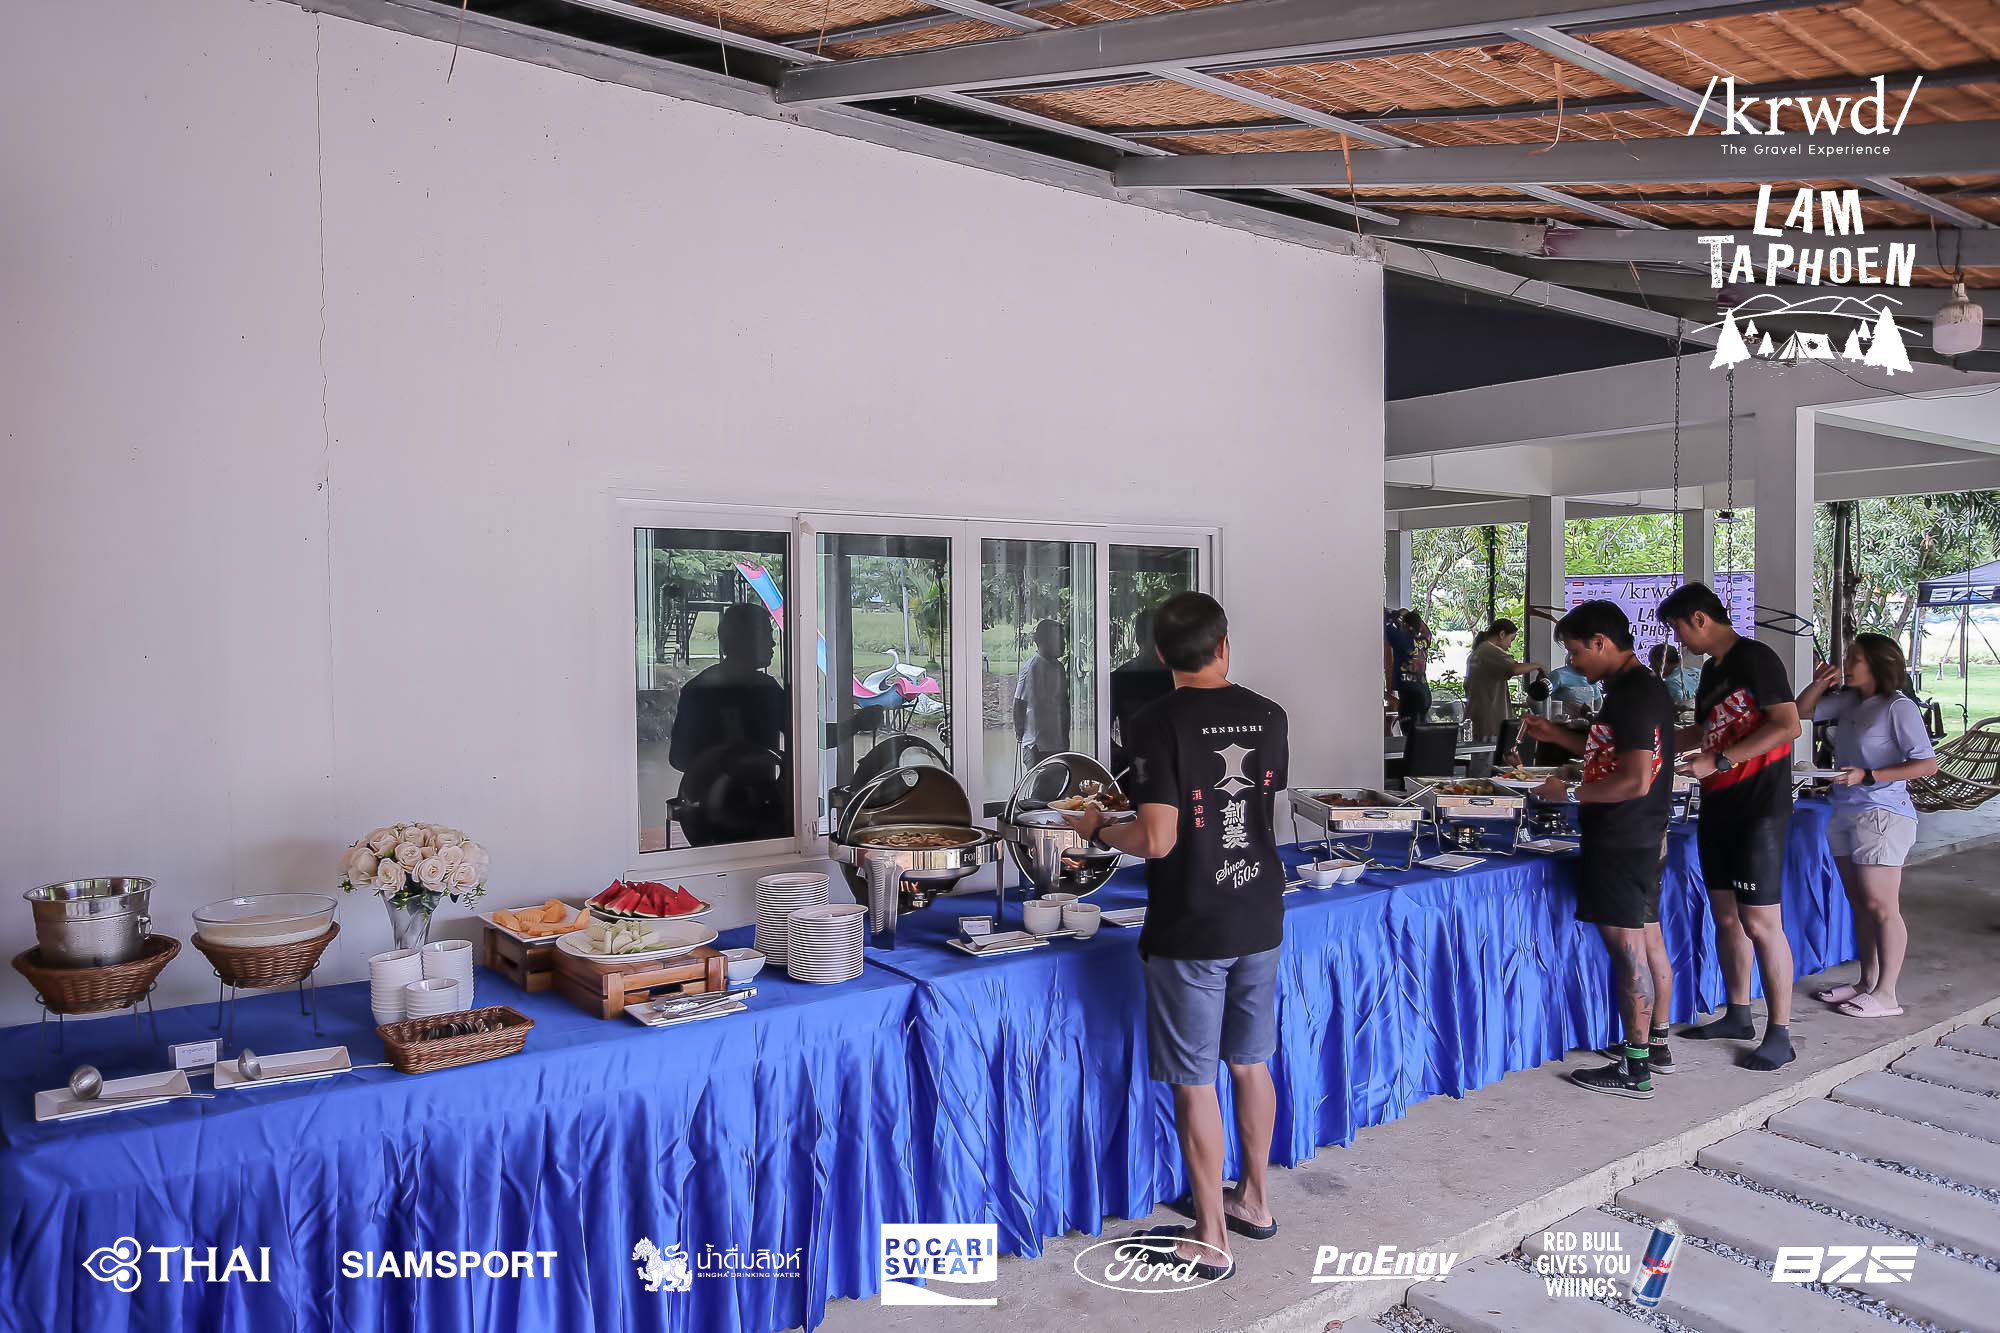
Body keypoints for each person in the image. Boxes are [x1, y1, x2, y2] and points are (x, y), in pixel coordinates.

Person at [1064, 592, 1288, 1284]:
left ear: (1160, 654)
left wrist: (1098, 827)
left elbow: (1158, 839)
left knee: (1195, 1081)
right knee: (1250, 1063)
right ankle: (1253, 1200)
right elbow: (1245, 802)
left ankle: (1211, 1237)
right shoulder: (1269, 714)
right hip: (1259, 910)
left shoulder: (1154, 720)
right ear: (1223, 646)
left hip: (1193, 922)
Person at [1523, 602, 1679, 1099]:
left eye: (1575, 652)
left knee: (1628, 952)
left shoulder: (1633, 695)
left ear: (1601, 642)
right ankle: (1654, 1045)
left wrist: (1568, 793)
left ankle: (1635, 1068)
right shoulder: (1638, 689)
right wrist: (1557, 735)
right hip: (1641, 835)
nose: (1573, 663)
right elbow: (1613, 754)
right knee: (1647, 941)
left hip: (1623, 838)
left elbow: (1634, 780)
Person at [1659, 582, 1803, 1072]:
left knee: (1761, 922)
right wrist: (1646, 739)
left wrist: (1720, 759)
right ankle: (1738, 1014)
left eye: (1679, 629)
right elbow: (1704, 731)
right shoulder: (1712, 670)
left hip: (1759, 808)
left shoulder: (1756, 659)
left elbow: (1787, 725)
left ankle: (1780, 1032)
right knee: (1726, 917)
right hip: (1718, 804)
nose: (1679, 640)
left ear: (1700, 619)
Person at [1796, 634, 1937, 1019]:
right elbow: (1801, 712)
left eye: (1854, 658)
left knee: (1881, 905)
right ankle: (1866, 982)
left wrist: (1870, 774)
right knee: (1860, 903)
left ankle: (1887, 994)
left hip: (1883, 814)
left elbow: (1926, 764)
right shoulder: (1851, 701)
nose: (1847, 664)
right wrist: (1819, 683)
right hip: (1846, 810)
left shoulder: (1898, 707)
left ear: (1877, 664)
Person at [667, 603, 790, 844]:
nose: (773, 643)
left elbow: (805, 736)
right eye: (767, 635)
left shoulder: (766, 689)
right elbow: (679, 758)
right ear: (745, 639)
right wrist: (734, 758)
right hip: (718, 817)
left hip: (746, 812)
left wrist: (852, 724)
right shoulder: (702, 692)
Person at [1110, 608, 1174, 775]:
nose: (1159, 645)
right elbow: (1101, 732)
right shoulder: (1120, 678)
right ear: (1139, 640)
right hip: (1136, 770)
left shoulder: (1177, 677)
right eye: (1154, 638)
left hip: (1175, 766)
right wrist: (1125, 759)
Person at [1463, 618, 1544, 743]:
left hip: (1481, 718)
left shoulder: (1479, 651)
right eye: (1511, 639)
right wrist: (1538, 665)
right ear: (1502, 634)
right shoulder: (1488, 650)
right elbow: (1514, 669)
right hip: (1489, 722)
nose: (1510, 645)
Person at [1013, 618, 1070, 769]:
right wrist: (1020, 734)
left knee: (1059, 781)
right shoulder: (1032, 668)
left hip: (1058, 743)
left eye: (1063, 639)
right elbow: (1019, 704)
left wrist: (1065, 737)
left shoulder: (1059, 668)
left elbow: (1064, 705)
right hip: (1037, 746)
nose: (1064, 644)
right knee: (1040, 783)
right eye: (1060, 640)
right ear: (1045, 641)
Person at [1384, 609, 1431, 730]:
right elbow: (1426, 631)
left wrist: (1396, 614)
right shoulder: (1424, 641)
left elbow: (1385, 623)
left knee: (1409, 736)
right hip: (1424, 694)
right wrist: (1415, 618)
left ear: (1404, 625)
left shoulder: (1401, 639)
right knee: (1423, 734)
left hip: (1409, 697)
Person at [1649, 642, 1700, 708]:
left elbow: (1678, 709)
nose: (1651, 666)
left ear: (1663, 662)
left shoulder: (1671, 683)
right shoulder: (1697, 672)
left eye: (1652, 663)